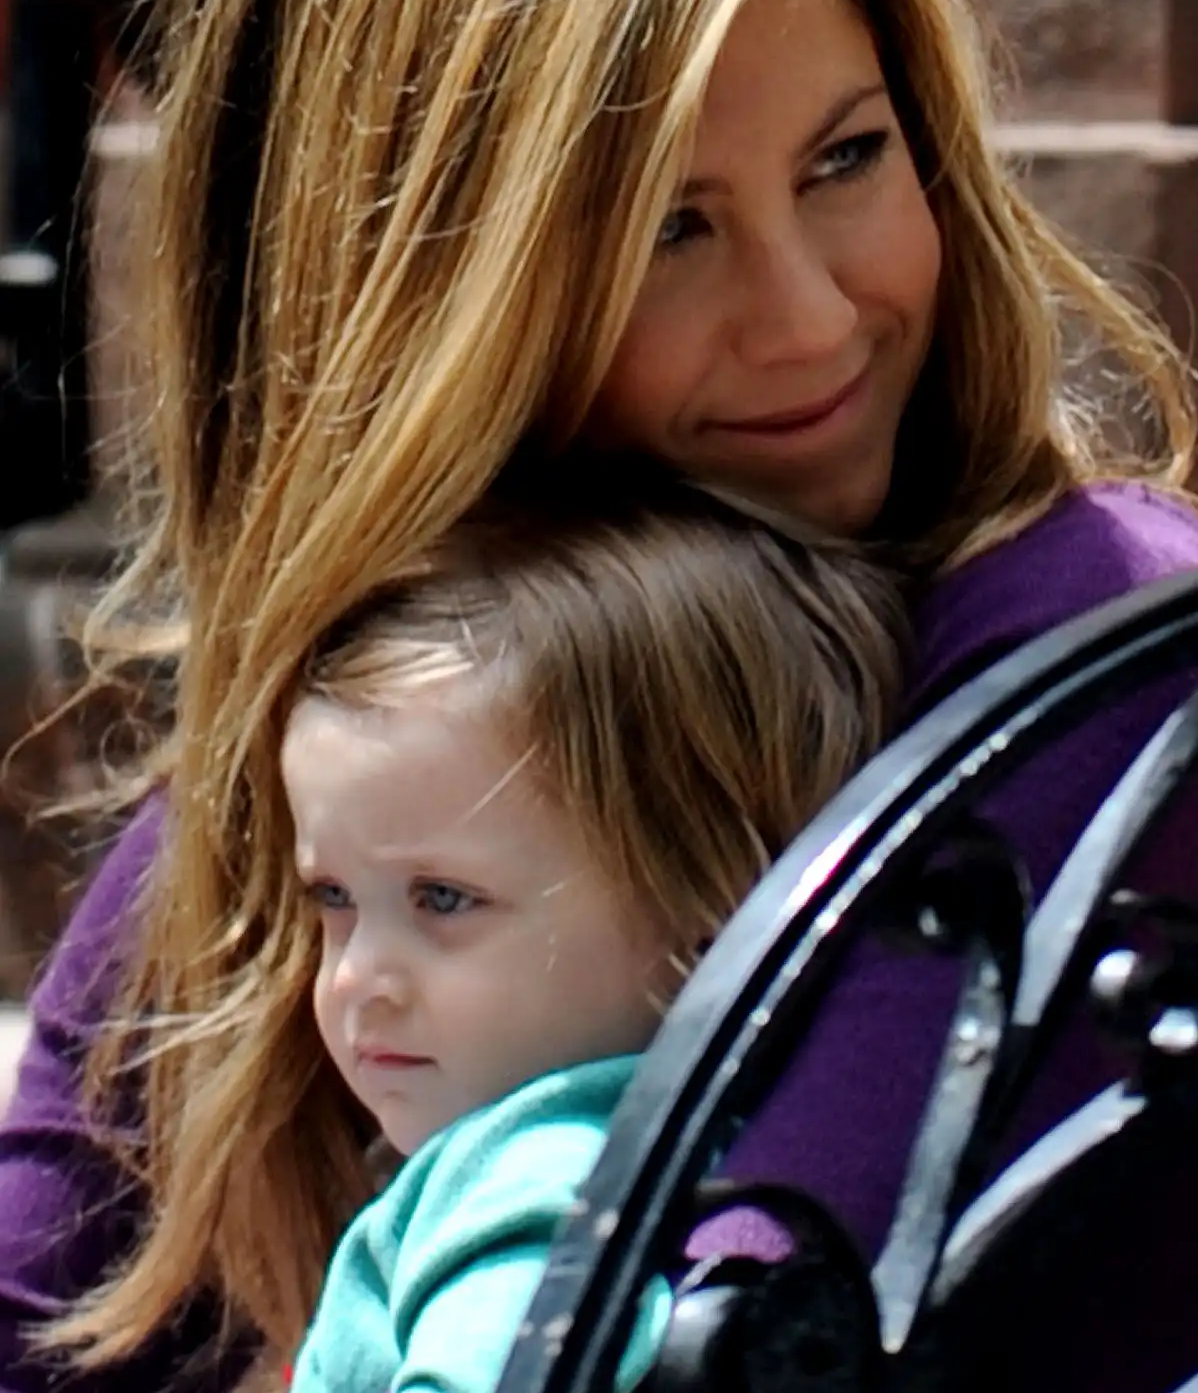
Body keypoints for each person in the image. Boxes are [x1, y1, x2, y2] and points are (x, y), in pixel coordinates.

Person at [1, 0, 1197, 1393]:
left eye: (845, 158)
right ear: (409, 298)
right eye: (665, 229)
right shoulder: (349, 762)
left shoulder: (1095, 666)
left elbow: (741, 1332)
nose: (809, 318)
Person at [278, 486, 905, 1392]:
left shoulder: (539, 1177)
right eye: (334, 898)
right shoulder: (637, 1147)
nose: (358, 978)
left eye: (443, 899)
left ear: (710, 907)